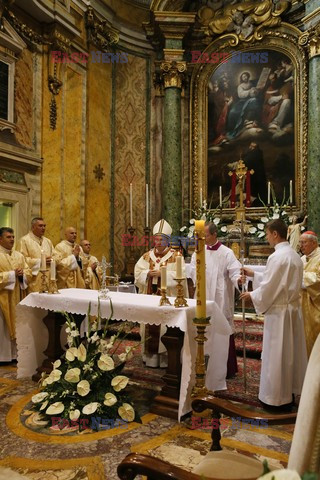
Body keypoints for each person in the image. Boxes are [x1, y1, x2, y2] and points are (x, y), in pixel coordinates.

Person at [240, 219, 308, 409]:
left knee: (277, 355)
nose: (267, 238)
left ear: (275, 234)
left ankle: (275, 398)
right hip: (292, 310)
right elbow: (281, 281)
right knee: (290, 354)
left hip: (279, 314)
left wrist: (251, 295)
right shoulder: (294, 255)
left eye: (268, 234)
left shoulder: (277, 257)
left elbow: (271, 287)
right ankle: (290, 392)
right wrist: (255, 275)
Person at [189, 222, 243, 380]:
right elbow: (192, 270)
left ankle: (225, 368)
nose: (203, 239)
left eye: (205, 235)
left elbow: (234, 271)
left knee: (220, 329)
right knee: (201, 329)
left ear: (214, 234)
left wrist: (239, 279)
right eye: (201, 236)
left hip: (220, 298)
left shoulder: (226, 253)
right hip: (202, 298)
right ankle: (202, 364)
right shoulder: (198, 252)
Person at [134, 219, 186, 368]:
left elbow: (180, 277)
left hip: (167, 298)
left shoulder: (176, 256)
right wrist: (148, 274)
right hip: (150, 297)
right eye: (156, 239)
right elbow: (137, 274)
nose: (158, 242)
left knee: (164, 328)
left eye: (161, 239)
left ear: (168, 240)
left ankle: (164, 360)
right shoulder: (146, 256)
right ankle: (149, 358)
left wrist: (163, 275)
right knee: (149, 327)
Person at [0, 227, 32, 362]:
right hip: (3, 298)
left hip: (17, 296)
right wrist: (12, 274)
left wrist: (22, 274)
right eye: (8, 237)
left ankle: (14, 355)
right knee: (3, 327)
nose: (12, 239)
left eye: (13, 237)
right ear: (0, 239)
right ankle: (3, 356)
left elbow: (29, 272)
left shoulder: (19, 255)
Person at [18, 217, 58, 293]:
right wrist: (40, 261)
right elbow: (21, 260)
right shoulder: (24, 240)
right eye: (40, 226)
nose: (43, 228)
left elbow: (57, 256)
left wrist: (52, 260)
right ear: (33, 227)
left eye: (44, 226)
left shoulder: (47, 241)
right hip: (34, 280)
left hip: (49, 278)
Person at [299, 230, 320, 357]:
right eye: (300, 242)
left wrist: (300, 277)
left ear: (313, 243)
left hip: (315, 306)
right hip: (301, 304)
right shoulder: (301, 259)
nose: (301, 245)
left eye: (304, 242)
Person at [243, 142, 268, 206]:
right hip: (253, 176)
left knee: (256, 192)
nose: (250, 148)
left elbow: (247, 161)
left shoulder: (255, 154)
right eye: (250, 146)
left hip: (256, 177)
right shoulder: (253, 154)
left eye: (253, 147)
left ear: (256, 148)